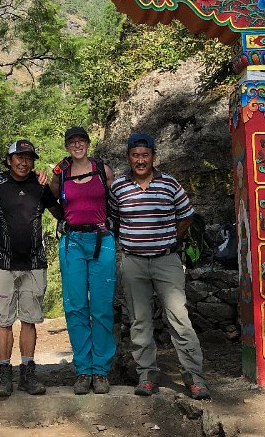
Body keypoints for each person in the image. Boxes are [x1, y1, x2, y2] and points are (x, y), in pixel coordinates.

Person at [110, 132, 211, 400]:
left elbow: (186, 216)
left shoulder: (169, 184)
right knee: (139, 321)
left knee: (179, 318)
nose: (140, 160)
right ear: (128, 158)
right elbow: (114, 219)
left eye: (145, 155)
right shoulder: (118, 187)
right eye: (135, 155)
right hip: (133, 261)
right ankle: (147, 375)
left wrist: (170, 241)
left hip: (167, 260)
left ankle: (194, 377)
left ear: (153, 156)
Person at [0, 139, 62, 398]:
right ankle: (3, 372)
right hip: (3, 262)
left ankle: (27, 372)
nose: (24, 162)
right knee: (4, 321)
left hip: (34, 263)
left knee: (29, 320)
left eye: (29, 158)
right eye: (19, 157)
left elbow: (60, 213)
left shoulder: (40, 186)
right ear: (9, 160)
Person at [49, 126, 116, 395]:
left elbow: (115, 201)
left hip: (102, 239)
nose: (77, 146)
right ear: (67, 146)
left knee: (102, 306)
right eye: (72, 142)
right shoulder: (61, 174)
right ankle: (83, 370)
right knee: (76, 306)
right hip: (72, 242)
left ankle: (100, 370)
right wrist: (65, 221)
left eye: (81, 141)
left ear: (88, 144)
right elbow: (50, 200)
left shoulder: (103, 170)